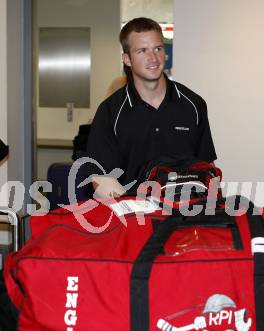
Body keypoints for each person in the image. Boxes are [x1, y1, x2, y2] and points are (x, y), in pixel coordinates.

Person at [86, 17, 217, 198]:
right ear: (127, 59)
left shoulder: (193, 104)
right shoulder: (110, 112)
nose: (153, 58)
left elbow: (207, 169)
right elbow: (102, 178)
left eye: (158, 48)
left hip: (187, 216)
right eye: (142, 51)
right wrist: (136, 214)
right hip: (135, 219)